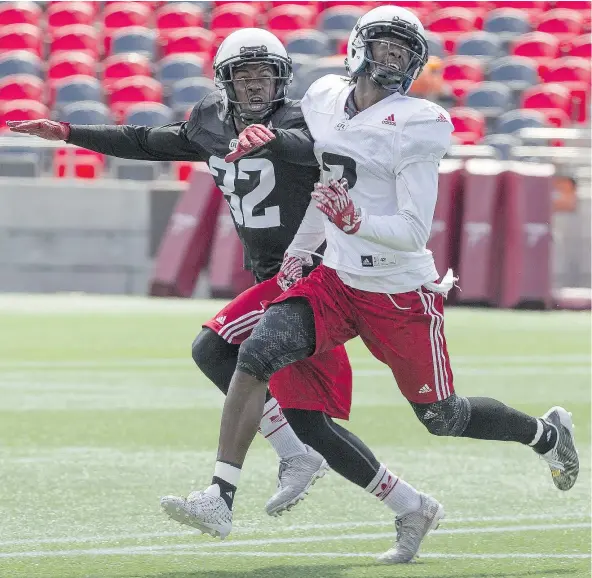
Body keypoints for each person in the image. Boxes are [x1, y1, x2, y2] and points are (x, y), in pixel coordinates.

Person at [8, 28, 443, 563]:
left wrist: (276, 142)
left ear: (283, 80)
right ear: (225, 80)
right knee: (309, 421)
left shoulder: (300, 121)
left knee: (213, 348)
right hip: (272, 273)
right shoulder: (210, 121)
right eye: (244, 73)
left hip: (314, 272)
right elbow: (148, 142)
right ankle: (409, 503)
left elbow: (329, 151)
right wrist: (70, 131)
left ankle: (227, 491)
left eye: (265, 73)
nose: (256, 83)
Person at [169, 5, 580, 563]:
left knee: (444, 417)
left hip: (399, 294)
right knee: (253, 355)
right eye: (382, 46)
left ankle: (546, 434)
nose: (389, 60)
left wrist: (353, 222)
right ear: (359, 48)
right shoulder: (323, 100)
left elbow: (412, 233)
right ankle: (220, 495)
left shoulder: (418, 122)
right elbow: (329, 183)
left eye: (401, 52)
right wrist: (298, 252)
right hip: (336, 281)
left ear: (415, 65)